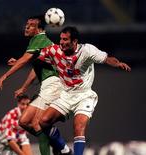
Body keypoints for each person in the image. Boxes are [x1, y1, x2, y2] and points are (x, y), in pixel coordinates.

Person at [34, 26, 131, 155]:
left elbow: (106, 59)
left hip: (84, 96)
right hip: (66, 95)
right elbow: (34, 56)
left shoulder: (87, 50)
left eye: (65, 39)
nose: (61, 42)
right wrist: (18, 61)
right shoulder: (55, 50)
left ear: (74, 41)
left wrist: (117, 63)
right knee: (43, 121)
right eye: (61, 39)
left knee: (78, 127)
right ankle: (64, 150)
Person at [0, 15, 71, 155]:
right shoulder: (39, 42)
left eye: (31, 25)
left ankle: (62, 148)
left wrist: (5, 76)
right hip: (48, 86)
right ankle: (59, 145)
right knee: (23, 121)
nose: (26, 27)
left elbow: (25, 60)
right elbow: (35, 69)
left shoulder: (39, 39)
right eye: (26, 24)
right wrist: (24, 87)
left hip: (54, 84)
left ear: (39, 28)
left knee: (37, 124)